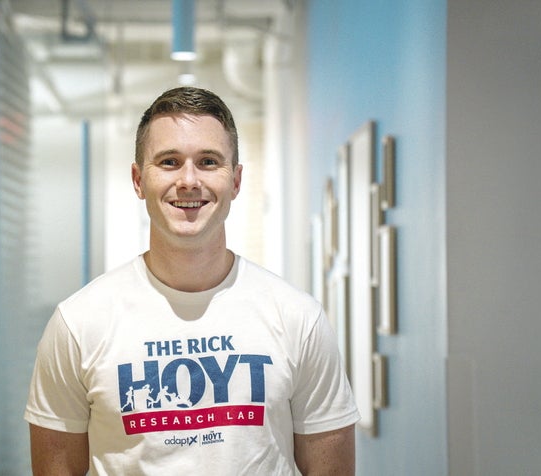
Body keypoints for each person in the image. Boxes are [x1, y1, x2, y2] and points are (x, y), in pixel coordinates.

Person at [25, 86, 359, 475]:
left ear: (235, 181)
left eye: (208, 161)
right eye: (169, 161)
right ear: (138, 180)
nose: (188, 180)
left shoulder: (298, 318)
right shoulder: (78, 324)